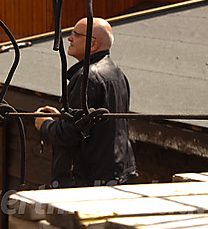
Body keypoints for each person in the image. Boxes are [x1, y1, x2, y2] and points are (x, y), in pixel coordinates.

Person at [34, 17, 137, 187]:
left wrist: (45, 125)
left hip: (87, 178)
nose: (69, 38)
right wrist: (62, 117)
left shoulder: (86, 77)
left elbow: (70, 134)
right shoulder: (117, 73)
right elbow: (91, 125)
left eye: (75, 34)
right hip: (114, 172)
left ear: (93, 44)